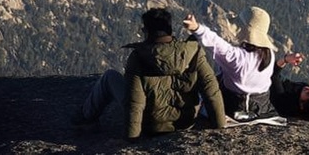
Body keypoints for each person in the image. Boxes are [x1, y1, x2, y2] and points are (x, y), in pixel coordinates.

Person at [73, 7, 226, 140]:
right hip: (186, 122)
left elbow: (135, 102)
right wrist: (219, 126)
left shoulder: (139, 56)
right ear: (170, 30)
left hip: (152, 126)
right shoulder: (193, 51)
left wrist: (131, 138)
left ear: (145, 31)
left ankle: (86, 119)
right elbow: (211, 90)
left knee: (110, 77)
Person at [183, 6, 277, 118]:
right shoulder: (269, 54)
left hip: (232, 106)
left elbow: (215, 43)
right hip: (262, 107)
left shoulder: (237, 57)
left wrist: (196, 28)